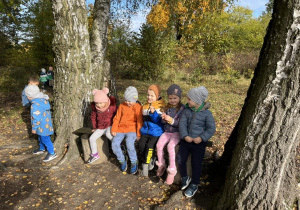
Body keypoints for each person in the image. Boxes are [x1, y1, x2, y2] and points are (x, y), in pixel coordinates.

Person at [177, 86, 216, 198]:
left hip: (199, 143)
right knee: (180, 159)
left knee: (196, 164)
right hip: (186, 140)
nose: (187, 101)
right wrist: (185, 136)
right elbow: (182, 124)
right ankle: (185, 177)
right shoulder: (187, 111)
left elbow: (211, 128)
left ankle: (194, 184)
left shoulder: (207, 114)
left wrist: (202, 138)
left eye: (189, 99)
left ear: (197, 101)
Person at [155, 84, 185, 185]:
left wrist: (171, 120)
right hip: (167, 132)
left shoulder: (182, 109)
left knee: (170, 146)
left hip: (176, 133)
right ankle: (161, 164)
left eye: (175, 98)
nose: (172, 100)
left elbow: (180, 124)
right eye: (170, 98)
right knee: (159, 145)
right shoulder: (167, 108)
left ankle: (172, 171)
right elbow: (163, 123)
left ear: (179, 98)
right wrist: (163, 119)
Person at [111, 86, 143, 174]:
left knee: (129, 143)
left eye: (130, 101)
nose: (127, 103)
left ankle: (133, 161)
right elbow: (117, 118)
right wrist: (114, 128)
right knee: (114, 144)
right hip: (120, 129)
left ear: (135, 99)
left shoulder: (137, 107)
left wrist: (139, 134)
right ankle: (122, 160)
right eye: (126, 100)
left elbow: (139, 121)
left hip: (131, 129)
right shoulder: (122, 106)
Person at [139, 84, 166, 176]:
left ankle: (145, 164)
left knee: (150, 146)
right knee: (141, 145)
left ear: (157, 96)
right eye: (148, 95)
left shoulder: (161, 106)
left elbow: (159, 120)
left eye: (152, 95)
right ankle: (150, 159)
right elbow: (142, 119)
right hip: (145, 131)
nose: (149, 97)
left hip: (156, 132)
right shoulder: (145, 106)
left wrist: (153, 113)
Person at [24, 85, 57, 162]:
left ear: (30, 96)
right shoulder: (43, 100)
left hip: (42, 126)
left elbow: (36, 118)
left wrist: (34, 128)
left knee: (46, 139)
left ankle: (52, 153)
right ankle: (42, 148)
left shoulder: (35, 105)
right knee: (40, 137)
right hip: (46, 124)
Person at [87, 87, 117, 164]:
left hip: (110, 125)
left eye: (100, 103)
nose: (99, 105)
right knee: (92, 138)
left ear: (105, 101)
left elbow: (117, 116)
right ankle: (95, 154)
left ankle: (118, 147)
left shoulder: (111, 107)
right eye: (97, 103)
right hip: (100, 127)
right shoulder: (95, 109)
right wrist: (95, 127)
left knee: (108, 135)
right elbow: (93, 118)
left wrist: (116, 127)